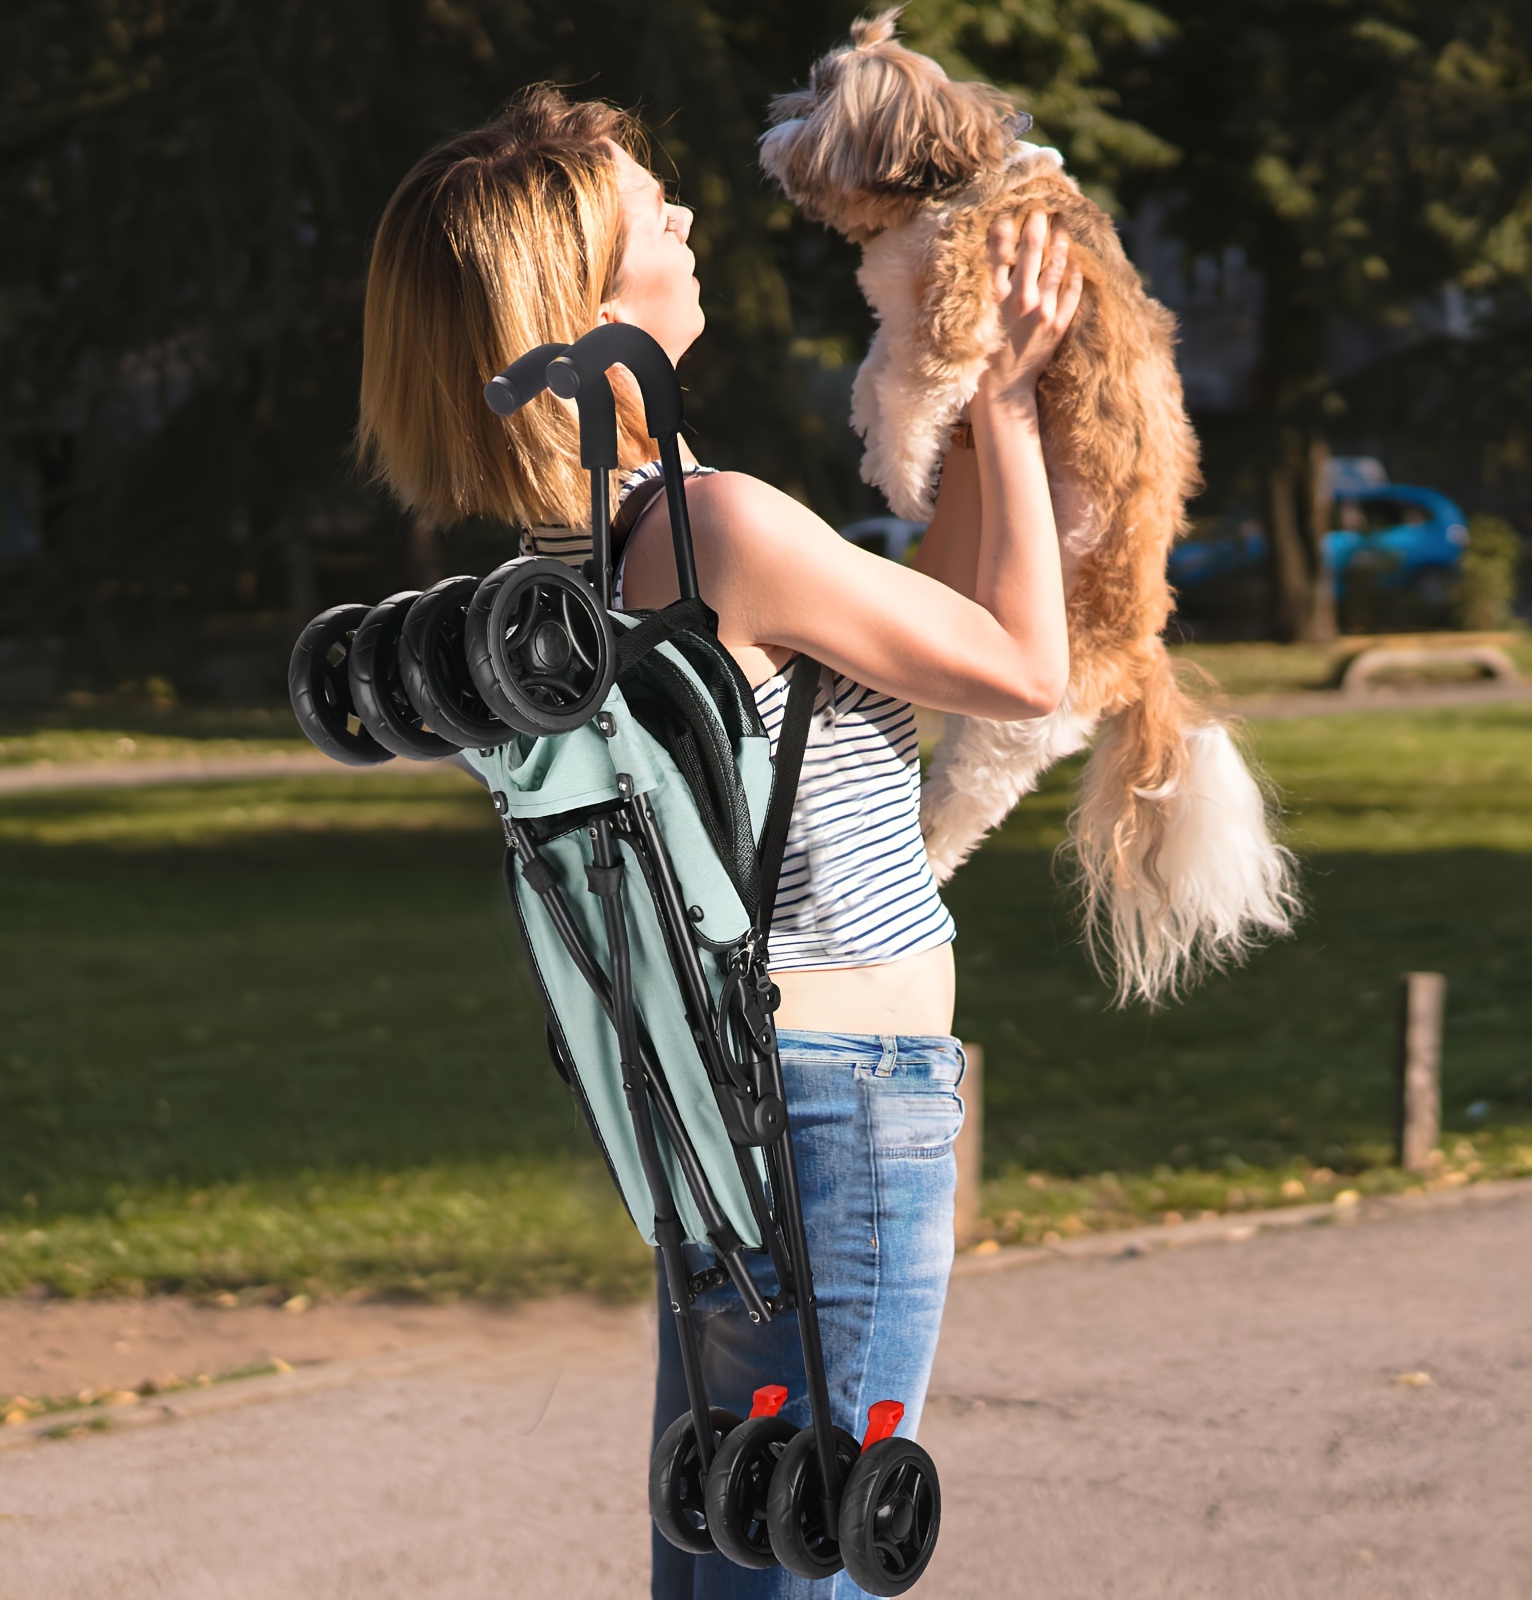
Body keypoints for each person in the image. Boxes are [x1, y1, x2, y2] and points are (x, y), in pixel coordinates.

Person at [359, 88, 1079, 1600]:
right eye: (652, 214)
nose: (686, 220)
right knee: (808, 1553)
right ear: (581, 303)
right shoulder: (721, 525)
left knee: (734, 1541)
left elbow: (929, 643)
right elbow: (1025, 669)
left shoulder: (580, 564)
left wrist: (953, 386)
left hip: (725, 1109)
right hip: (840, 1111)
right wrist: (1007, 397)